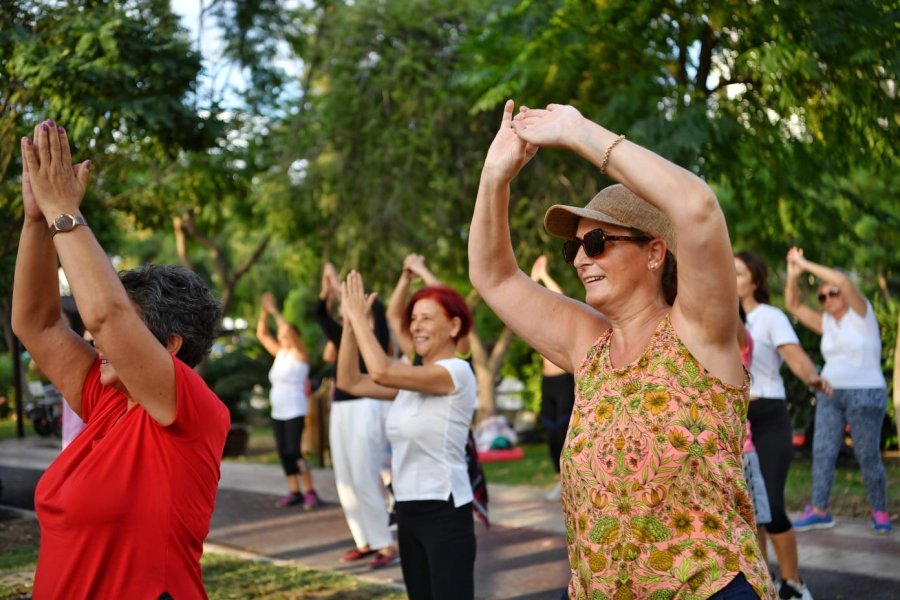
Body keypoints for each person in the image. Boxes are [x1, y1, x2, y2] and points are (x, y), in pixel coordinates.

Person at [468, 101, 773, 599]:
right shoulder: (587, 344)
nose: (582, 260)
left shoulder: (698, 331)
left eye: (598, 244)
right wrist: (494, 176)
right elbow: (494, 275)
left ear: (655, 252)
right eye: (575, 249)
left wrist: (577, 132)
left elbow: (696, 209)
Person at [13, 120, 230, 598]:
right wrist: (37, 221)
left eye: (130, 328)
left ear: (169, 347)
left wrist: (64, 210)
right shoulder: (109, 400)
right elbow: (38, 324)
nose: (91, 335)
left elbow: (107, 316)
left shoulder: (190, 410)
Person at [337, 271, 477, 600]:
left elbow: (381, 371)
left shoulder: (456, 373)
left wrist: (360, 319)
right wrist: (348, 325)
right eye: (413, 318)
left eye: (427, 318)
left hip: (444, 512)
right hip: (408, 511)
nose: (415, 326)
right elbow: (350, 382)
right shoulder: (410, 382)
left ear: (454, 327)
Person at [734, 251, 831, 599]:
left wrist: (815, 379)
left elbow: (796, 357)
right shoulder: (718, 317)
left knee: (772, 506)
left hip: (770, 417)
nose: (731, 277)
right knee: (750, 511)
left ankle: (793, 583)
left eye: (739, 273)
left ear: (755, 281)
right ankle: (764, 582)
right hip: (735, 421)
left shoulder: (769, 317)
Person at [785, 247, 892, 535]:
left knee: (867, 454)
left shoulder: (862, 314)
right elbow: (793, 305)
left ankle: (880, 510)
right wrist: (793, 276)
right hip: (831, 393)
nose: (828, 299)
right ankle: (819, 509)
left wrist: (806, 264)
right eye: (823, 296)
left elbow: (844, 282)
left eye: (833, 293)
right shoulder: (827, 323)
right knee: (822, 450)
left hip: (865, 392)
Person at [314, 263, 398, 569]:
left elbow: (378, 311)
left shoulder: (375, 334)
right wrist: (327, 291)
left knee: (365, 475)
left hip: (368, 405)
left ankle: (386, 545)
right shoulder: (343, 335)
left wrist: (350, 294)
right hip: (342, 408)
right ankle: (364, 540)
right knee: (346, 478)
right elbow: (320, 315)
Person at [256, 292, 321, 509]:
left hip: (294, 409)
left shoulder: (300, 355)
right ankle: (295, 491)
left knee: (294, 451)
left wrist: (275, 311)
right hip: (278, 410)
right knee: (284, 452)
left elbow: (287, 332)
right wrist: (264, 313)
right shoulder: (281, 354)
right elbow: (263, 334)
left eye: (286, 334)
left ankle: (310, 491)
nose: (282, 336)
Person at [529, 254, 576, 502]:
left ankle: (570, 480)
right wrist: (532, 279)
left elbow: (558, 298)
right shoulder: (537, 327)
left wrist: (545, 276)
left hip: (563, 380)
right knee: (550, 432)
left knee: (563, 431)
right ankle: (560, 480)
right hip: (547, 382)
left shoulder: (561, 324)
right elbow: (521, 303)